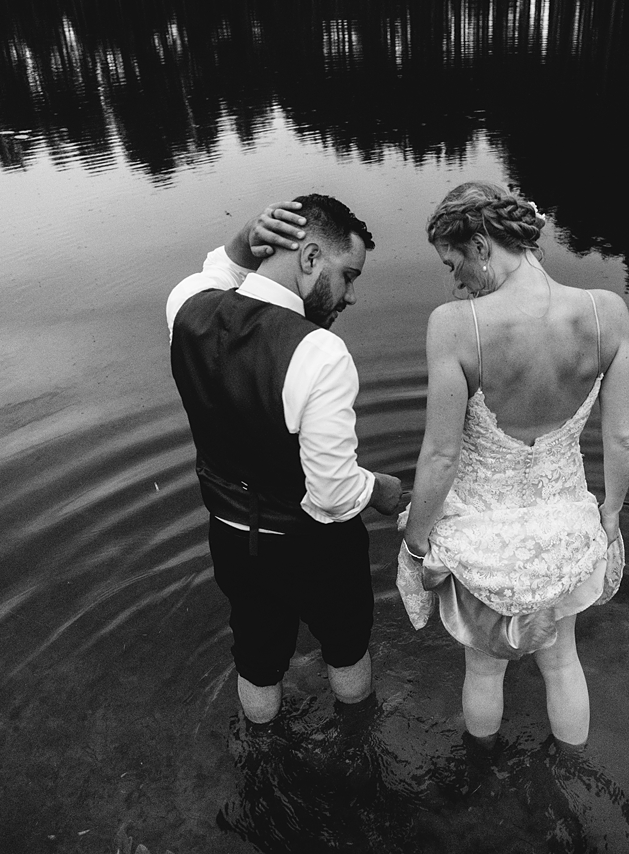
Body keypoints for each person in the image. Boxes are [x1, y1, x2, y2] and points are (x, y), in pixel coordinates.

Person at [401, 181, 629, 751]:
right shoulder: (607, 314)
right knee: (563, 664)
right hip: (563, 536)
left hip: (484, 542)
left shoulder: (456, 325)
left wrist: (414, 544)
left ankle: (480, 776)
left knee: (484, 671)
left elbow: (440, 455)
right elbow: (623, 436)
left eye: (455, 262)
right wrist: (609, 516)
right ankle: (572, 775)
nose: (456, 281)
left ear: (482, 244)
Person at [167, 196, 404, 728]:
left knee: (255, 657)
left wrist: (244, 236)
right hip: (314, 545)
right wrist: (379, 489)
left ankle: (261, 757)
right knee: (346, 649)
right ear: (310, 256)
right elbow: (333, 494)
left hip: (230, 537)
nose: (351, 295)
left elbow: (213, 271)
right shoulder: (319, 351)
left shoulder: (187, 309)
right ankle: (356, 748)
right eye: (348, 276)